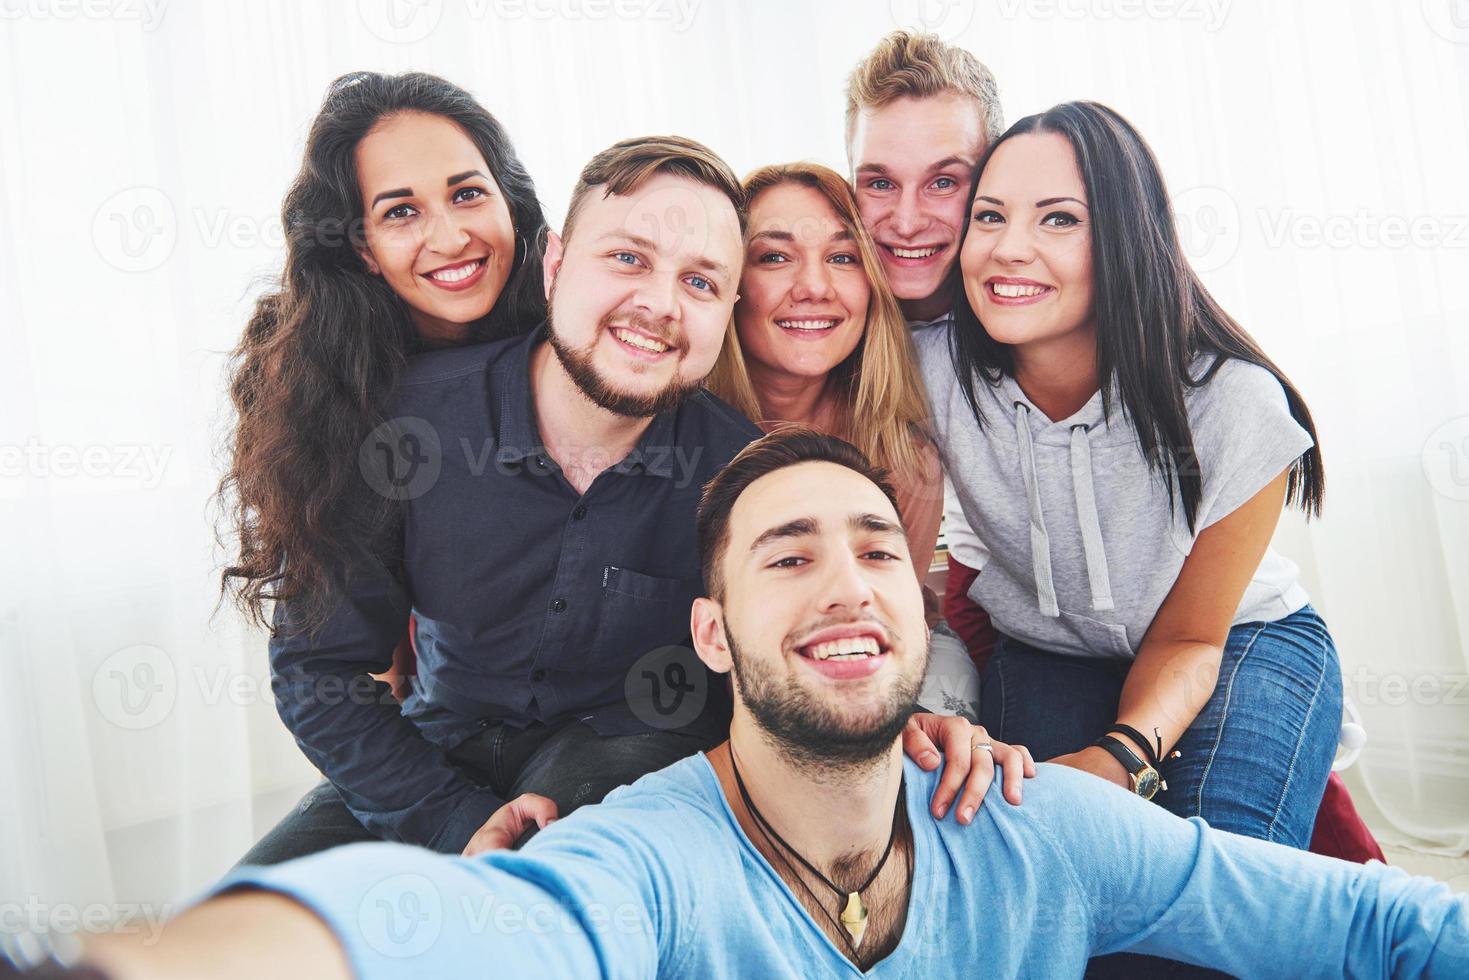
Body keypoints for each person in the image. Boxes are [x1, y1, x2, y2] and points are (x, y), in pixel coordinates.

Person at [77, 430, 1468, 979]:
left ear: (924, 617)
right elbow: (483, 929)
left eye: (875, 551)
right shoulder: (656, 856)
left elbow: (1355, 919)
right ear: (714, 633)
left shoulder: (1032, 827)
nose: (845, 587)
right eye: (785, 556)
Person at [236, 134, 1029, 868]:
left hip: (626, 751)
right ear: (554, 266)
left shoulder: (741, 474)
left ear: (726, 312)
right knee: (232, 932)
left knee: (551, 895)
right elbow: (317, 667)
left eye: (699, 282)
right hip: (434, 746)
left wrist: (902, 725)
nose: (658, 305)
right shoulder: (408, 424)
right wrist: (449, 819)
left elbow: (814, 638)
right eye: (626, 258)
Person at [917, 100, 1345, 858]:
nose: (1007, 249)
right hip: (1047, 653)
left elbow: (1188, 639)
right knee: (1050, 866)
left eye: (1058, 220)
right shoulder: (932, 370)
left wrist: (1119, 758)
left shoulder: (1233, 404)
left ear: (1123, 237)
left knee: (1213, 874)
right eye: (988, 217)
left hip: (1235, 640)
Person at [705, 160, 977, 718]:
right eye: (774, 257)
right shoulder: (676, 433)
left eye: (843, 257)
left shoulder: (906, 456)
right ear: (730, 280)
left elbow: (883, 626)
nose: (813, 287)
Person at [844, 28, 1003, 667]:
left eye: (943, 182)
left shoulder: (1041, 300)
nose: (907, 221)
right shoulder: (828, 322)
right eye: (879, 183)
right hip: (984, 595)